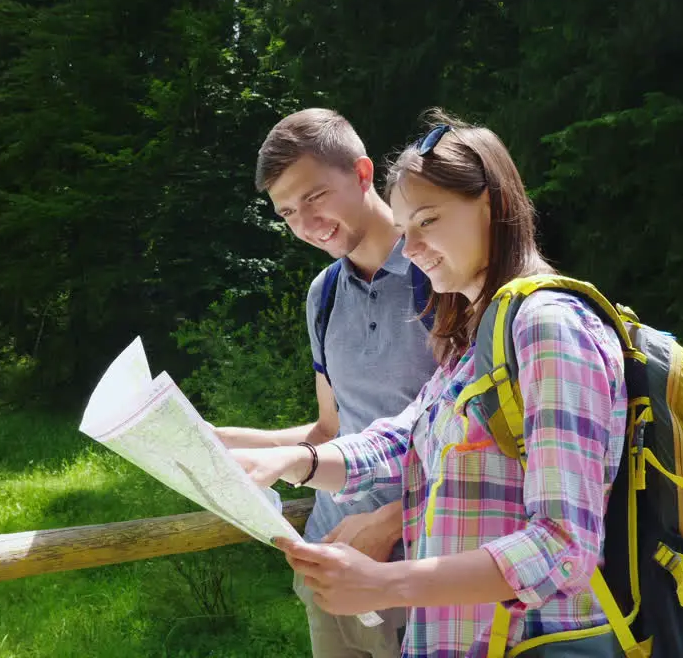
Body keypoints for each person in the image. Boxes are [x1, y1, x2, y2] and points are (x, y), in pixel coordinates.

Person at [230, 110, 629, 658]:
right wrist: (292, 462)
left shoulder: (547, 327)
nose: (410, 247)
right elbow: (402, 437)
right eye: (405, 225)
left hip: (527, 642)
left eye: (428, 221)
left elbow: (564, 547)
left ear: (490, 203)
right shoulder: (481, 332)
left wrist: (386, 583)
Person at [210, 108, 439, 658]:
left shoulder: (444, 272)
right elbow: (330, 427)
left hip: (427, 568)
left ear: (362, 174)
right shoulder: (324, 294)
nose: (306, 224)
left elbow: (495, 442)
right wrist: (211, 439)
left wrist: (391, 521)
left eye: (314, 197)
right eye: (288, 212)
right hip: (327, 558)